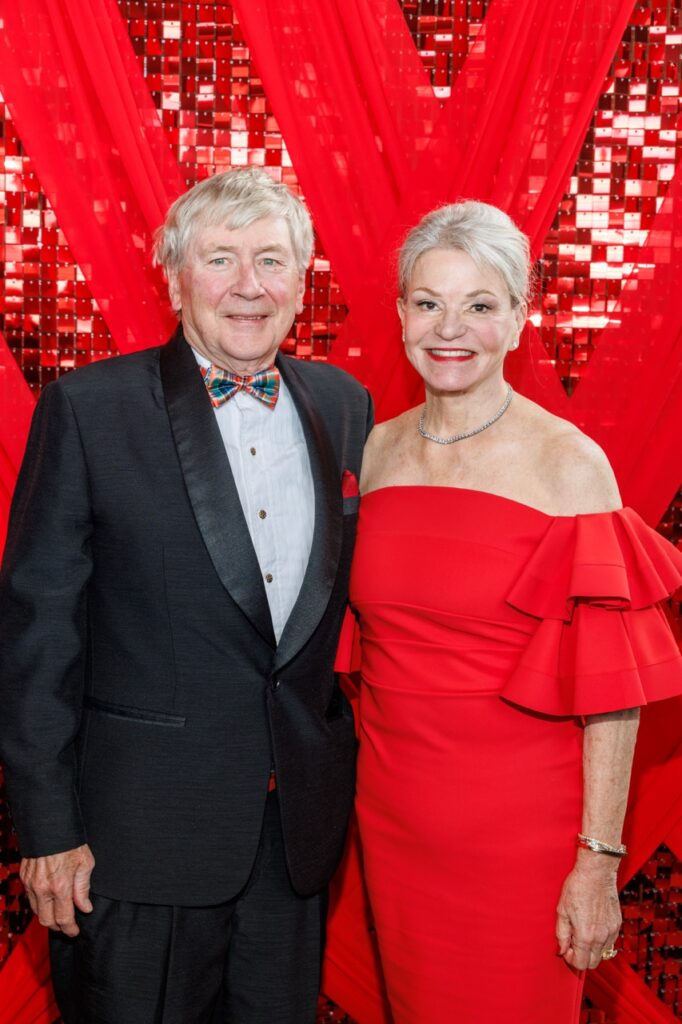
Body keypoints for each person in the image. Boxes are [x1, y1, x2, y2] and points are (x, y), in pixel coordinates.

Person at [0, 167, 373, 1024]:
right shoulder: (89, 411)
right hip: (134, 845)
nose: (250, 286)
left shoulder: (344, 405)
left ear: (303, 279)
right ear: (174, 276)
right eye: (222, 259)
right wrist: (48, 829)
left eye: (273, 261)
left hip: (295, 848)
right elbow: (37, 637)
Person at [350, 200, 682, 1023]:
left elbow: (614, 690)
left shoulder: (567, 465)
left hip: (521, 836)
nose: (449, 328)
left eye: (479, 305)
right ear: (399, 313)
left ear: (518, 316)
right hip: (391, 820)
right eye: (428, 303)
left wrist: (597, 861)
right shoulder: (374, 449)